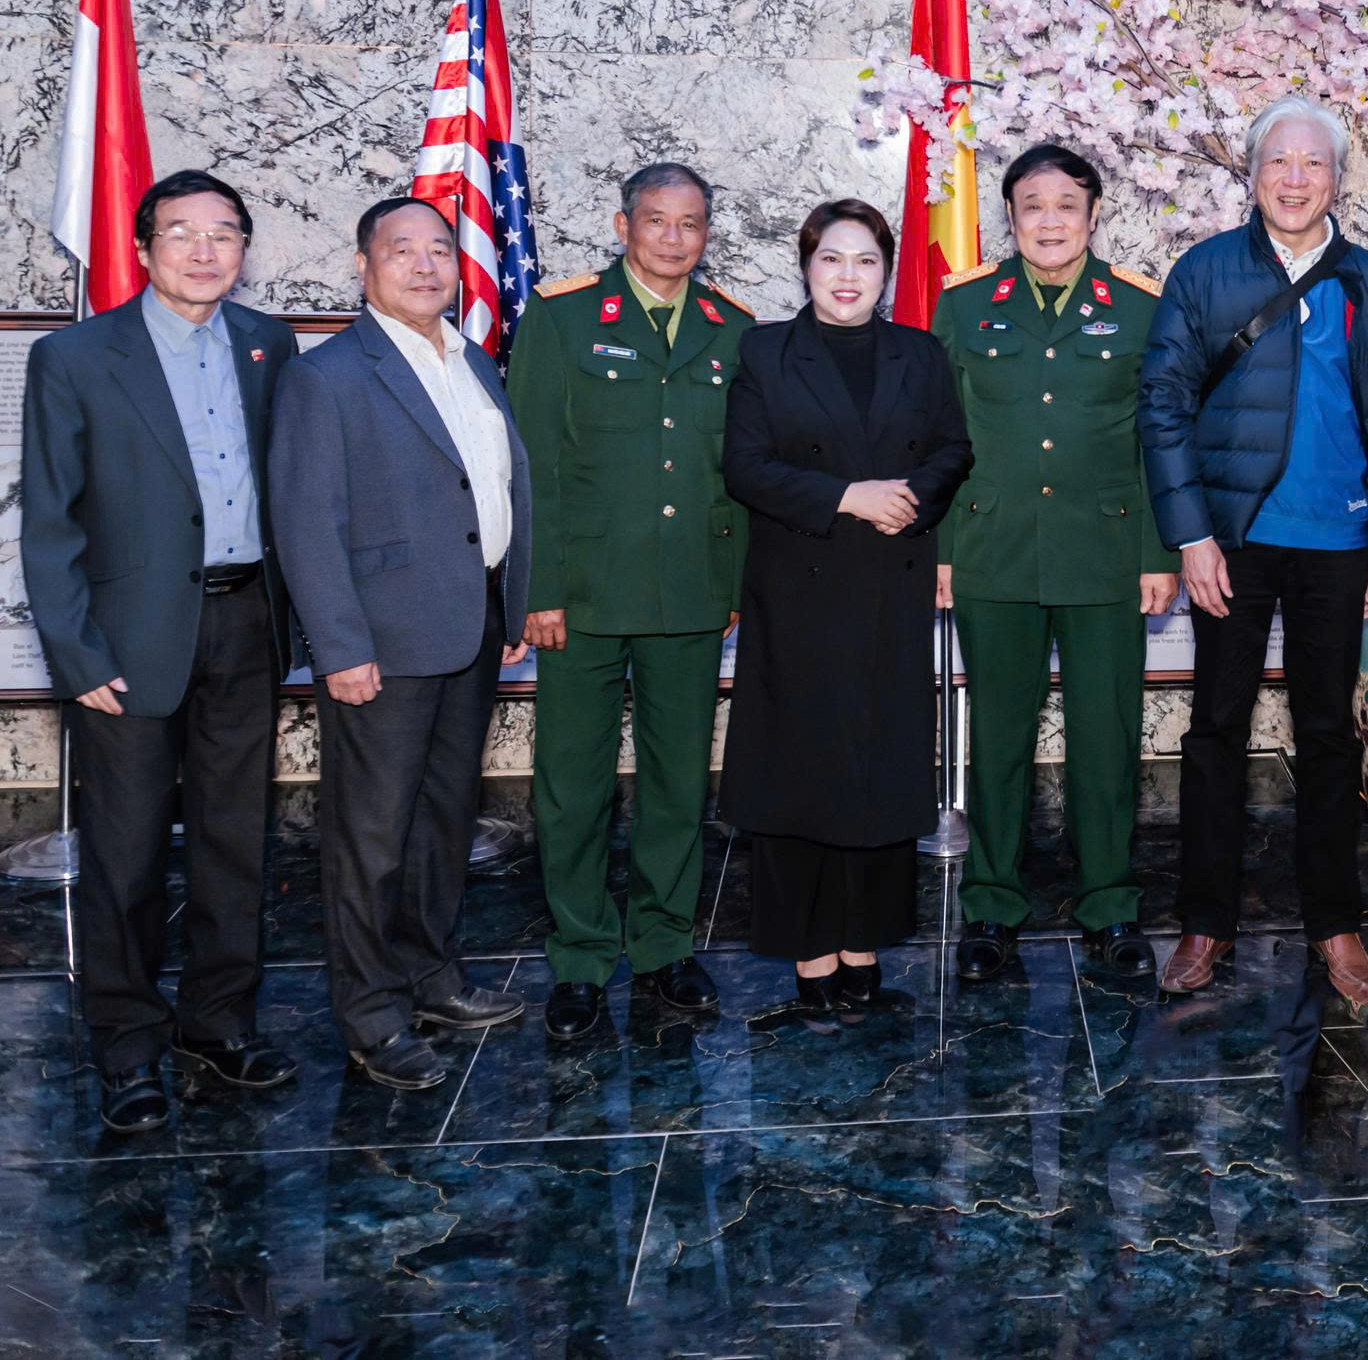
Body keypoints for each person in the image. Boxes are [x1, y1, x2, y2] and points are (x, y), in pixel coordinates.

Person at [22, 170, 302, 1133]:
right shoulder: (75, 356)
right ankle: (128, 1045)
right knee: (127, 852)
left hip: (247, 623)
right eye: (180, 232)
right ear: (142, 248)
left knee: (235, 842)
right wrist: (76, 652)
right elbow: (50, 521)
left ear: (243, 250)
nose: (203, 250)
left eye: (223, 233)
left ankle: (217, 1023)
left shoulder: (269, 344)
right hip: (128, 640)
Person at [1137, 95, 1368, 1015]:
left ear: (1338, 179)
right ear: (1251, 175)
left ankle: (1335, 922)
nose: (1295, 179)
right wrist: (1191, 535)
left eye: (1314, 163)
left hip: (1338, 542)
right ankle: (1205, 919)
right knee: (1216, 727)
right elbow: (1163, 405)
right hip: (1233, 541)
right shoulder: (1206, 271)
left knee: (1328, 733)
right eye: (1278, 163)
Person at [271, 197, 533, 1091]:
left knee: (442, 822)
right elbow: (307, 521)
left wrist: (512, 603)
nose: (425, 266)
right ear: (363, 265)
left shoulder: (473, 359)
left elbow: (494, 486)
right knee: (370, 837)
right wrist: (339, 644)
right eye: (402, 250)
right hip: (379, 642)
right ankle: (372, 1013)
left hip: (470, 627)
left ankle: (430, 975)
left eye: (439, 251)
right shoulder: (328, 375)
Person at [507, 163, 754, 1043]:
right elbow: (530, 461)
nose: (674, 239)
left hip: (691, 589)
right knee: (572, 783)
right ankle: (579, 955)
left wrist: (733, 584)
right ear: (623, 226)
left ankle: (662, 945)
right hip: (583, 594)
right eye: (657, 220)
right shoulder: (564, 318)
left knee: (678, 781)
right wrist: (536, 588)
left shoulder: (733, 329)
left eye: (691, 223)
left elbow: (738, 470)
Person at [933, 145, 1176, 987]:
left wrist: (1157, 552)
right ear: (1009, 216)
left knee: (1105, 736)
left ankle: (1109, 904)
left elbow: (1157, 437)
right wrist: (942, 549)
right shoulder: (965, 304)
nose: (1049, 220)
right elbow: (940, 435)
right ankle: (991, 905)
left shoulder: (1140, 307)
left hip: (1105, 551)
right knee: (998, 734)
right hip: (992, 548)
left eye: (1066, 204)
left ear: (1094, 214)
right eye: (1032, 205)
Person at [721, 201, 972, 1015]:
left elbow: (953, 447)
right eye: (831, 258)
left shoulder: (920, 352)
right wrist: (846, 496)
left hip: (892, 585)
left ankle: (865, 945)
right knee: (802, 771)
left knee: (881, 767)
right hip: (799, 592)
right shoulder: (764, 350)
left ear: (886, 272)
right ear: (806, 265)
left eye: (866, 260)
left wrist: (912, 497)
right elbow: (745, 466)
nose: (847, 275)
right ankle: (811, 955)